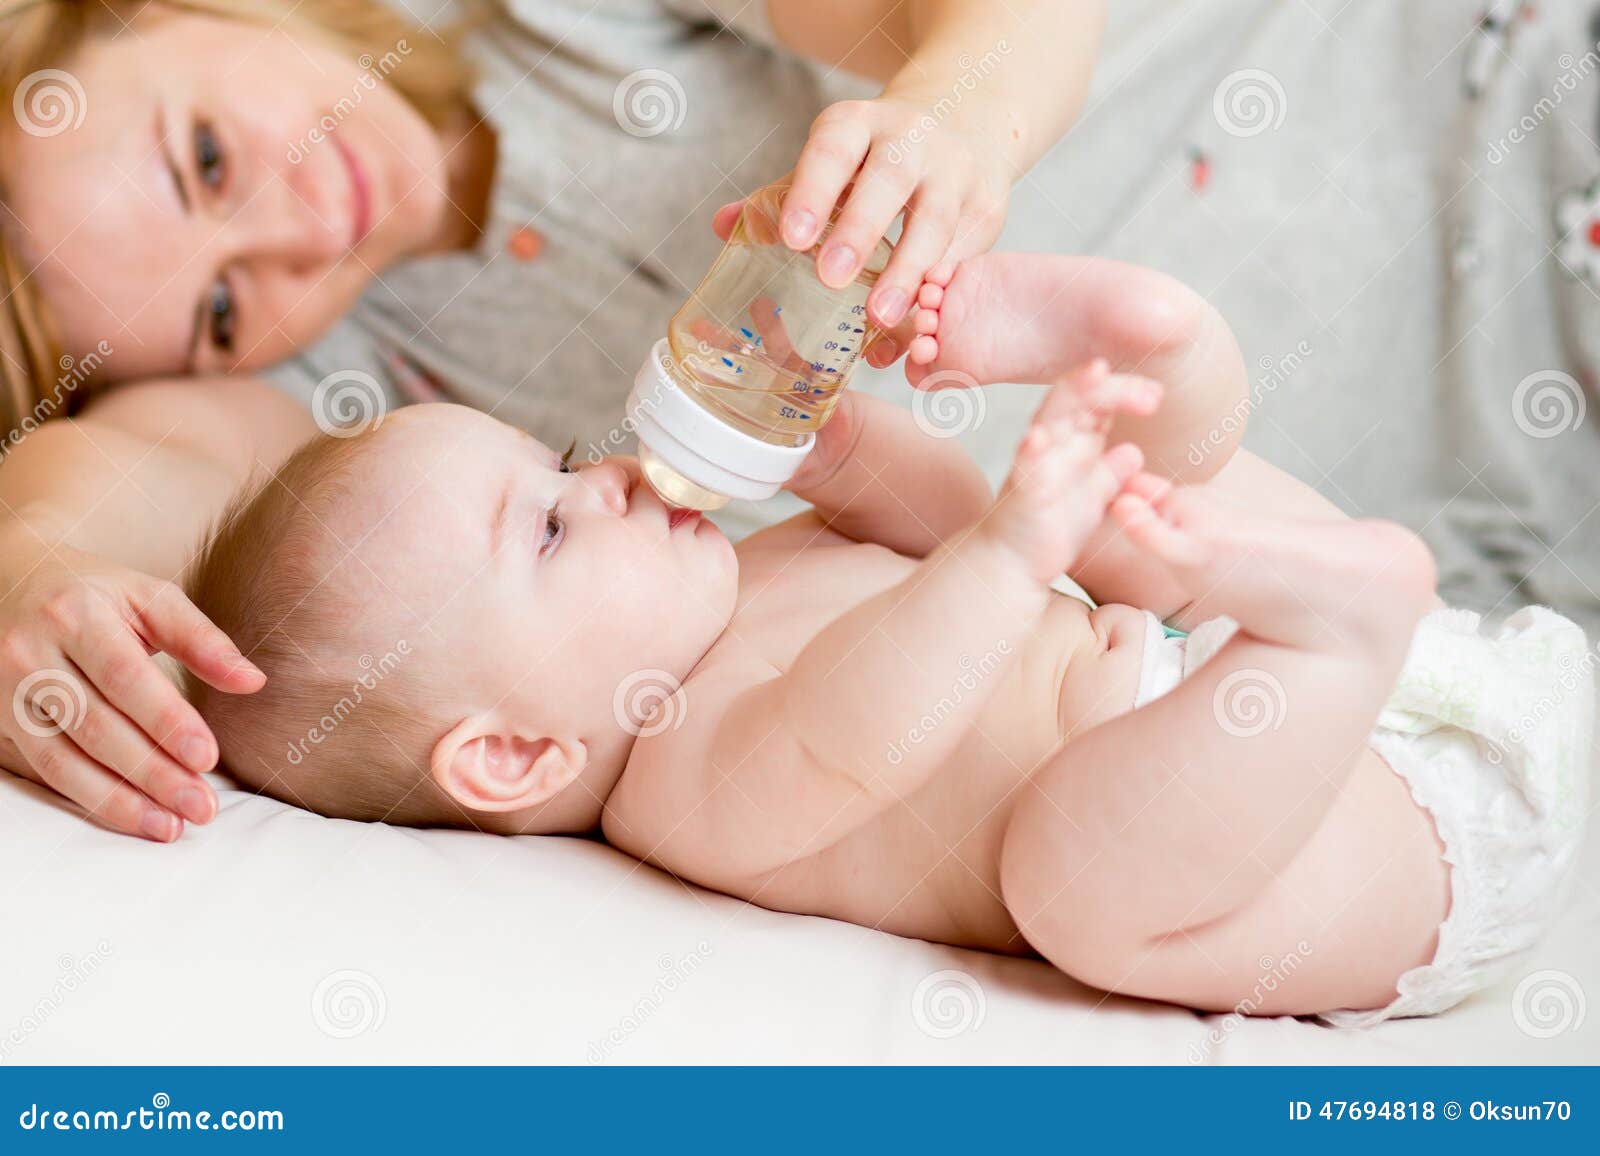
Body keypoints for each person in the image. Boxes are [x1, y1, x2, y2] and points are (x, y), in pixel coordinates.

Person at [183, 252, 1591, 1021]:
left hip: (1277, 676)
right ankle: (1336, 630)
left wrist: (841, 445)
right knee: (1076, 890)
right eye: (549, 530)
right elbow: (862, 729)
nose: (603, 477)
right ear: (511, 754)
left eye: (557, 462)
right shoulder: (679, 791)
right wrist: (1007, 554)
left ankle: (1149, 352)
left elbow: (945, 519)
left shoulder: (755, 567)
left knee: (1116, 518)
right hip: (1363, 843)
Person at [0, 0, 1105, 839]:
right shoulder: (341, 407)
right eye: (222, 309)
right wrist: (27, 573)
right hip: (1111, 537)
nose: (300, 234)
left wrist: (953, 117)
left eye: (205, 159)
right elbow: (119, 470)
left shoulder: (561, 23)